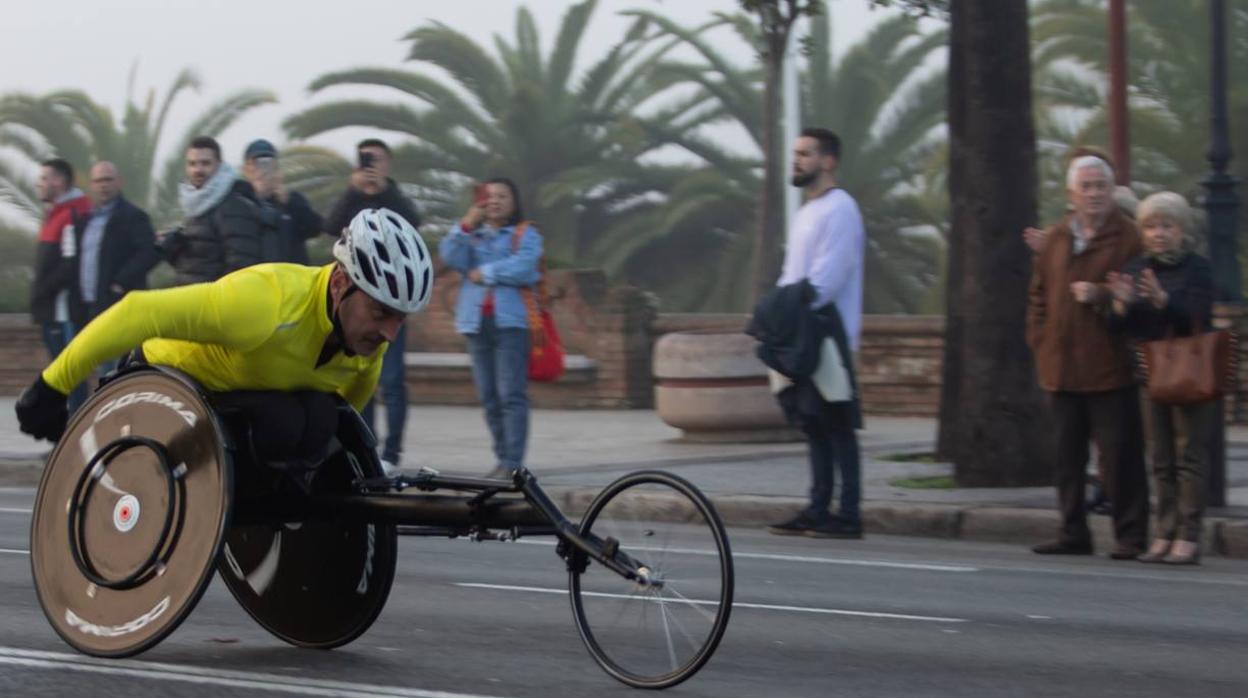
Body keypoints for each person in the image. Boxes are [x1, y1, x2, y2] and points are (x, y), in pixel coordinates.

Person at [15, 208, 433, 478]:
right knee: (284, 420)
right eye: (381, 313)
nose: (389, 335)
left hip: (241, 394)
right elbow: (137, 311)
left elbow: (347, 427)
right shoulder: (265, 303)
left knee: (320, 420)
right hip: (163, 377)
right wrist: (52, 386)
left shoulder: (367, 347)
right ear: (341, 283)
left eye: (401, 320)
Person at [1027, 155, 1149, 559]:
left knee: (1120, 457)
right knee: (1066, 459)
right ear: (1071, 194)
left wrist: (1099, 294)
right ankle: (1072, 532)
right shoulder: (1058, 237)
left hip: (1109, 366)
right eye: (1087, 187)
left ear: (1112, 192)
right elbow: (1038, 294)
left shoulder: (1129, 238)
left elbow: (1137, 299)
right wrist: (1039, 340)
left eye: (1101, 186)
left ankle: (1131, 535)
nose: (1095, 193)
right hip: (1060, 368)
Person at [762, 128, 866, 540]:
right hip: (801, 329)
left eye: (806, 154)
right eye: (796, 154)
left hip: (827, 332)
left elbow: (827, 280)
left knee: (837, 424)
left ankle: (849, 513)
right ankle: (819, 506)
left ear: (829, 161)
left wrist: (789, 309)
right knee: (813, 424)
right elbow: (794, 275)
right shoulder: (806, 212)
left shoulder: (841, 209)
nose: (797, 161)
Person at [1107, 192, 1214, 565]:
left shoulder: (1197, 267)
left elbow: (1197, 316)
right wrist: (1120, 305)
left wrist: (1163, 300)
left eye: (1167, 226)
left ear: (1181, 230)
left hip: (1189, 372)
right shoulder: (1137, 268)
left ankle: (1189, 534)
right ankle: (1164, 532)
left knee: (1190, 456)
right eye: (1151, 227)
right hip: (1151, 372)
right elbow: (1122, 328)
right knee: (1161, 458)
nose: (1159, 234)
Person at [323, 139, 421, 475]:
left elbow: (413, 224)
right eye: (364, 159)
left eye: (376, 159)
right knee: (356, 376)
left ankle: (392, 451)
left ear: (388, 163)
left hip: (391, 304)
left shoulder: (396, 198)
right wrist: (354, 191)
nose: (369, 165)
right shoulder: (352, 199)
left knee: (392, 380)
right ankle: (365, 448)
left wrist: (384, 191)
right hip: (357, 308)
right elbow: (330, 225)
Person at [439, 178, 542, 480]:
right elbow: (449, 257)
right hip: (475, 323)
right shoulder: (473, 237)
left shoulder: (526, 234)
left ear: (513, 202)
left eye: (502, 196)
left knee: (511, 394)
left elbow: (524, 268)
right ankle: (502, 458)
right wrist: (465, 225)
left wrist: (485, 272)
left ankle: (513, 463)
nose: (495, 201)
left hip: (510, 323)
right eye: (490, 196)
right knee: (489, 397)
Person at [163, 136, 267, 285]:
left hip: (214, 302)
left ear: (219, 164)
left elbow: (242, 263)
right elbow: (198, 263)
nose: (198, 170)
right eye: (192, 164)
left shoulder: (232, 204)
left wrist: (218, 301)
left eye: (205, 163)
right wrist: (173, 248)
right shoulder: (195, 203)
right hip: (194, 299)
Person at [30, 158, 90, 413]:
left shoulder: (72, 214)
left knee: (70, 376)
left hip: (64, 313)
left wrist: (44, 290)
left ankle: (74, 435)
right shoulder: (54, 214)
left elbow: (70, 265)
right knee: (61, 375)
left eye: (44, 178)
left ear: (59, 181)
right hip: (51, 311)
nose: (39, 184)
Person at [240, 139, 323, 264]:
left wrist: (290, 203)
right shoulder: (240, 201)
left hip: (291, 276)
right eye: (257, 163)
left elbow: (315, 228)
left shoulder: (291, 199)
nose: (263, 169)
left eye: (267, 162)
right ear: (246, 169)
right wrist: (256, 196)